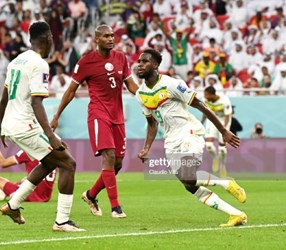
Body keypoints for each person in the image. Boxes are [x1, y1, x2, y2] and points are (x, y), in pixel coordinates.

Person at [136, 49, 247, 227]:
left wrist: (223, 130)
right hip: (170, 139)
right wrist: (146, 147)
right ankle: (235, 214)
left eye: (145, 61)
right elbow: (152, 124)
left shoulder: (172, 84)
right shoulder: (140, 94)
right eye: (139, 61)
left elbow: (201, 105)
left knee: (188, 175)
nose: (140, 65)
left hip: (189, 131)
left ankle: (225, 182)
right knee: (189, 185)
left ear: (155, 65)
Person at [0, 21, 84, 232]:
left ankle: (13, 205)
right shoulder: (39, 64)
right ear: (48, 39)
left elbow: (4, 97)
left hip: (12, 124)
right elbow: (37, 102)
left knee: (48, 163)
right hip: (25, 124)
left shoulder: (16, 61)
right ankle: (62, 221)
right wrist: (51, 135)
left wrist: (2, 125)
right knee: (68, 163)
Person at [51, 24, 139, 218]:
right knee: (108, 155)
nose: (111, 39)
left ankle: (91, 195)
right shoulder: (86, 62)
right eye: (106, 36)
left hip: (118, 116)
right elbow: (71, 90)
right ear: (96, 40)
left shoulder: (121, 58)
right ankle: (115, 207)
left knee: (117, 163)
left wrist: (145, 95)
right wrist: (56, 115)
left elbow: (131, 84)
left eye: (112, 36)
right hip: (99, 114)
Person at [201, 86, 232, 177]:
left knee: (222, 149)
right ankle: (215, 158)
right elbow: (206, 112)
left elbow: (227, 116)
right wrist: (201, 123)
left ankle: (223, 166)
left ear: (212, 95)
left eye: (206, 95)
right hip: (212, 120)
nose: (204, 97)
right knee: (209, 145)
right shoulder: (205, 100)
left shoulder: (225, 100)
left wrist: (225, 130)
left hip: (223, 121)